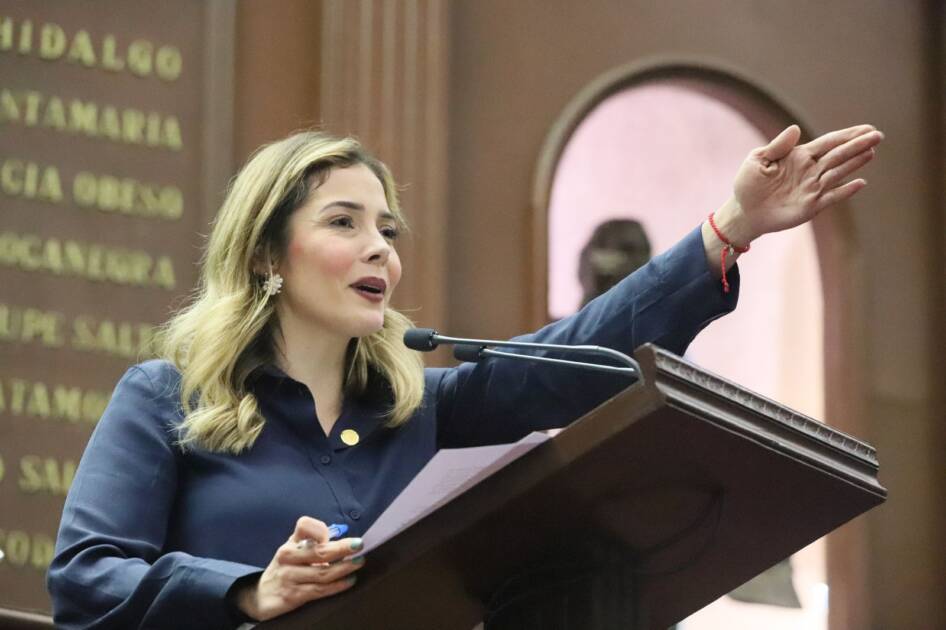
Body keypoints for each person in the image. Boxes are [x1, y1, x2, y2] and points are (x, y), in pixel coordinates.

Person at [47, 124, 882, 628]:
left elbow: (573, 358)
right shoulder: (166, 399)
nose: (380, 249)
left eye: (388, 230)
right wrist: (245, 593)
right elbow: (85, 579)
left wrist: (729, 228)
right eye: (344, 223)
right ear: (267, 254)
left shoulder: (422, 409)